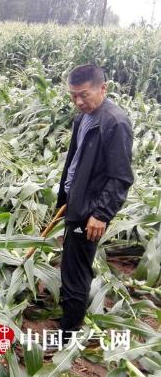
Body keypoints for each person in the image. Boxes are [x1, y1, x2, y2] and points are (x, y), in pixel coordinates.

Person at [55, 64, 134, 345]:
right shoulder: (84, 117)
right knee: (71, 262)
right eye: (73, 95)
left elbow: (121, 177)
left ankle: (66, 335)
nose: (78, 101)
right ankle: (69, 315)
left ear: (103, 88)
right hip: (76, 204)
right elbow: (74, 163)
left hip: (90, 211)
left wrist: (100, 214)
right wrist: (63, 199)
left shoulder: (114, 122)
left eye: (84, 95)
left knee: (76, 270)